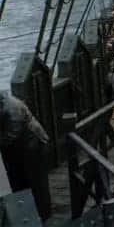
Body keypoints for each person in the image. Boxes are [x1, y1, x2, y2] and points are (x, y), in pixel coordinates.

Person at [0, 92, 51, 220]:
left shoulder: (11, 108)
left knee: (36, 182)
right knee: (19, 180)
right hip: (19, 148)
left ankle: (42, 214)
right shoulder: (4, 104)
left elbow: (11, 134)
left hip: (33, 145)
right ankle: (26, 211)